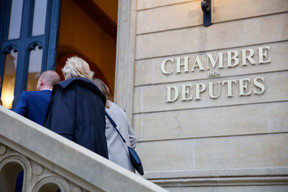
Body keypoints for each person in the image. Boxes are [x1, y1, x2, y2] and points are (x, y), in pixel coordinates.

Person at [44, 56, 108, 159]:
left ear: (66, 71)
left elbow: (62, 129)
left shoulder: (66, 89)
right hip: (97, 159)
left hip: (72, 158)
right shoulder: (98, 97)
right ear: (88, 73)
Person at [13, 70, 60, 192]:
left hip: (29, 152)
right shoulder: (62, 102)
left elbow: (15, 119)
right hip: (54, 157)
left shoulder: (28, 96)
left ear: (41, 81)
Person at [93, 78, 137, 172]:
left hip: (110, 165)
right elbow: (133, 139)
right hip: (127, 166)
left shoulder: (98, 110)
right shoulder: (119, 110)